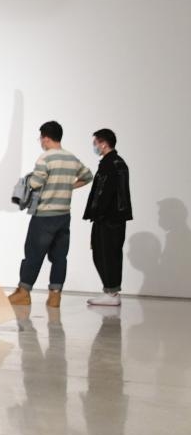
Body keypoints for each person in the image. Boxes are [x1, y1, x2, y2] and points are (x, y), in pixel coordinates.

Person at [8, 121, 92, 307]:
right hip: (64, 215)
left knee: (33, 254)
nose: (40, 142)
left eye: (40, 138)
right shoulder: (71, 158)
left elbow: (36, 183)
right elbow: (88, 176)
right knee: (60, 257)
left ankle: (23, 293)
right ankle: (55, 296)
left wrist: (26, 182)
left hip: (44, 215)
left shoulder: (45, 158)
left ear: (46, 138)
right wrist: (68, 186)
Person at [83, 128, 132, 306]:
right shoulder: (117, 162)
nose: (94, 146)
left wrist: (96, 213)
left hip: (108, 218)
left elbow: (104, 193)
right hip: (114, 218)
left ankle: (111, 293)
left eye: (95, 143)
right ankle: (111, 291)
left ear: (103, 143)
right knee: (107, 253)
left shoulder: (109, 164)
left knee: (105, 254)